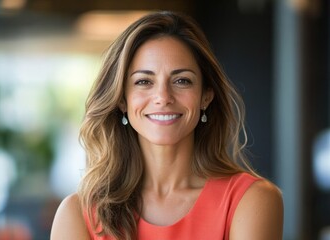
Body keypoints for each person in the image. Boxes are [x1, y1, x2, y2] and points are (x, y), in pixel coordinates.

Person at [50, 11, 283, 240]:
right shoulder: (77, 215)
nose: (163, 97)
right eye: (144, 81)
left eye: (182, 81)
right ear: (122, 100)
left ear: (206, 96)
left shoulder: (250, 200)